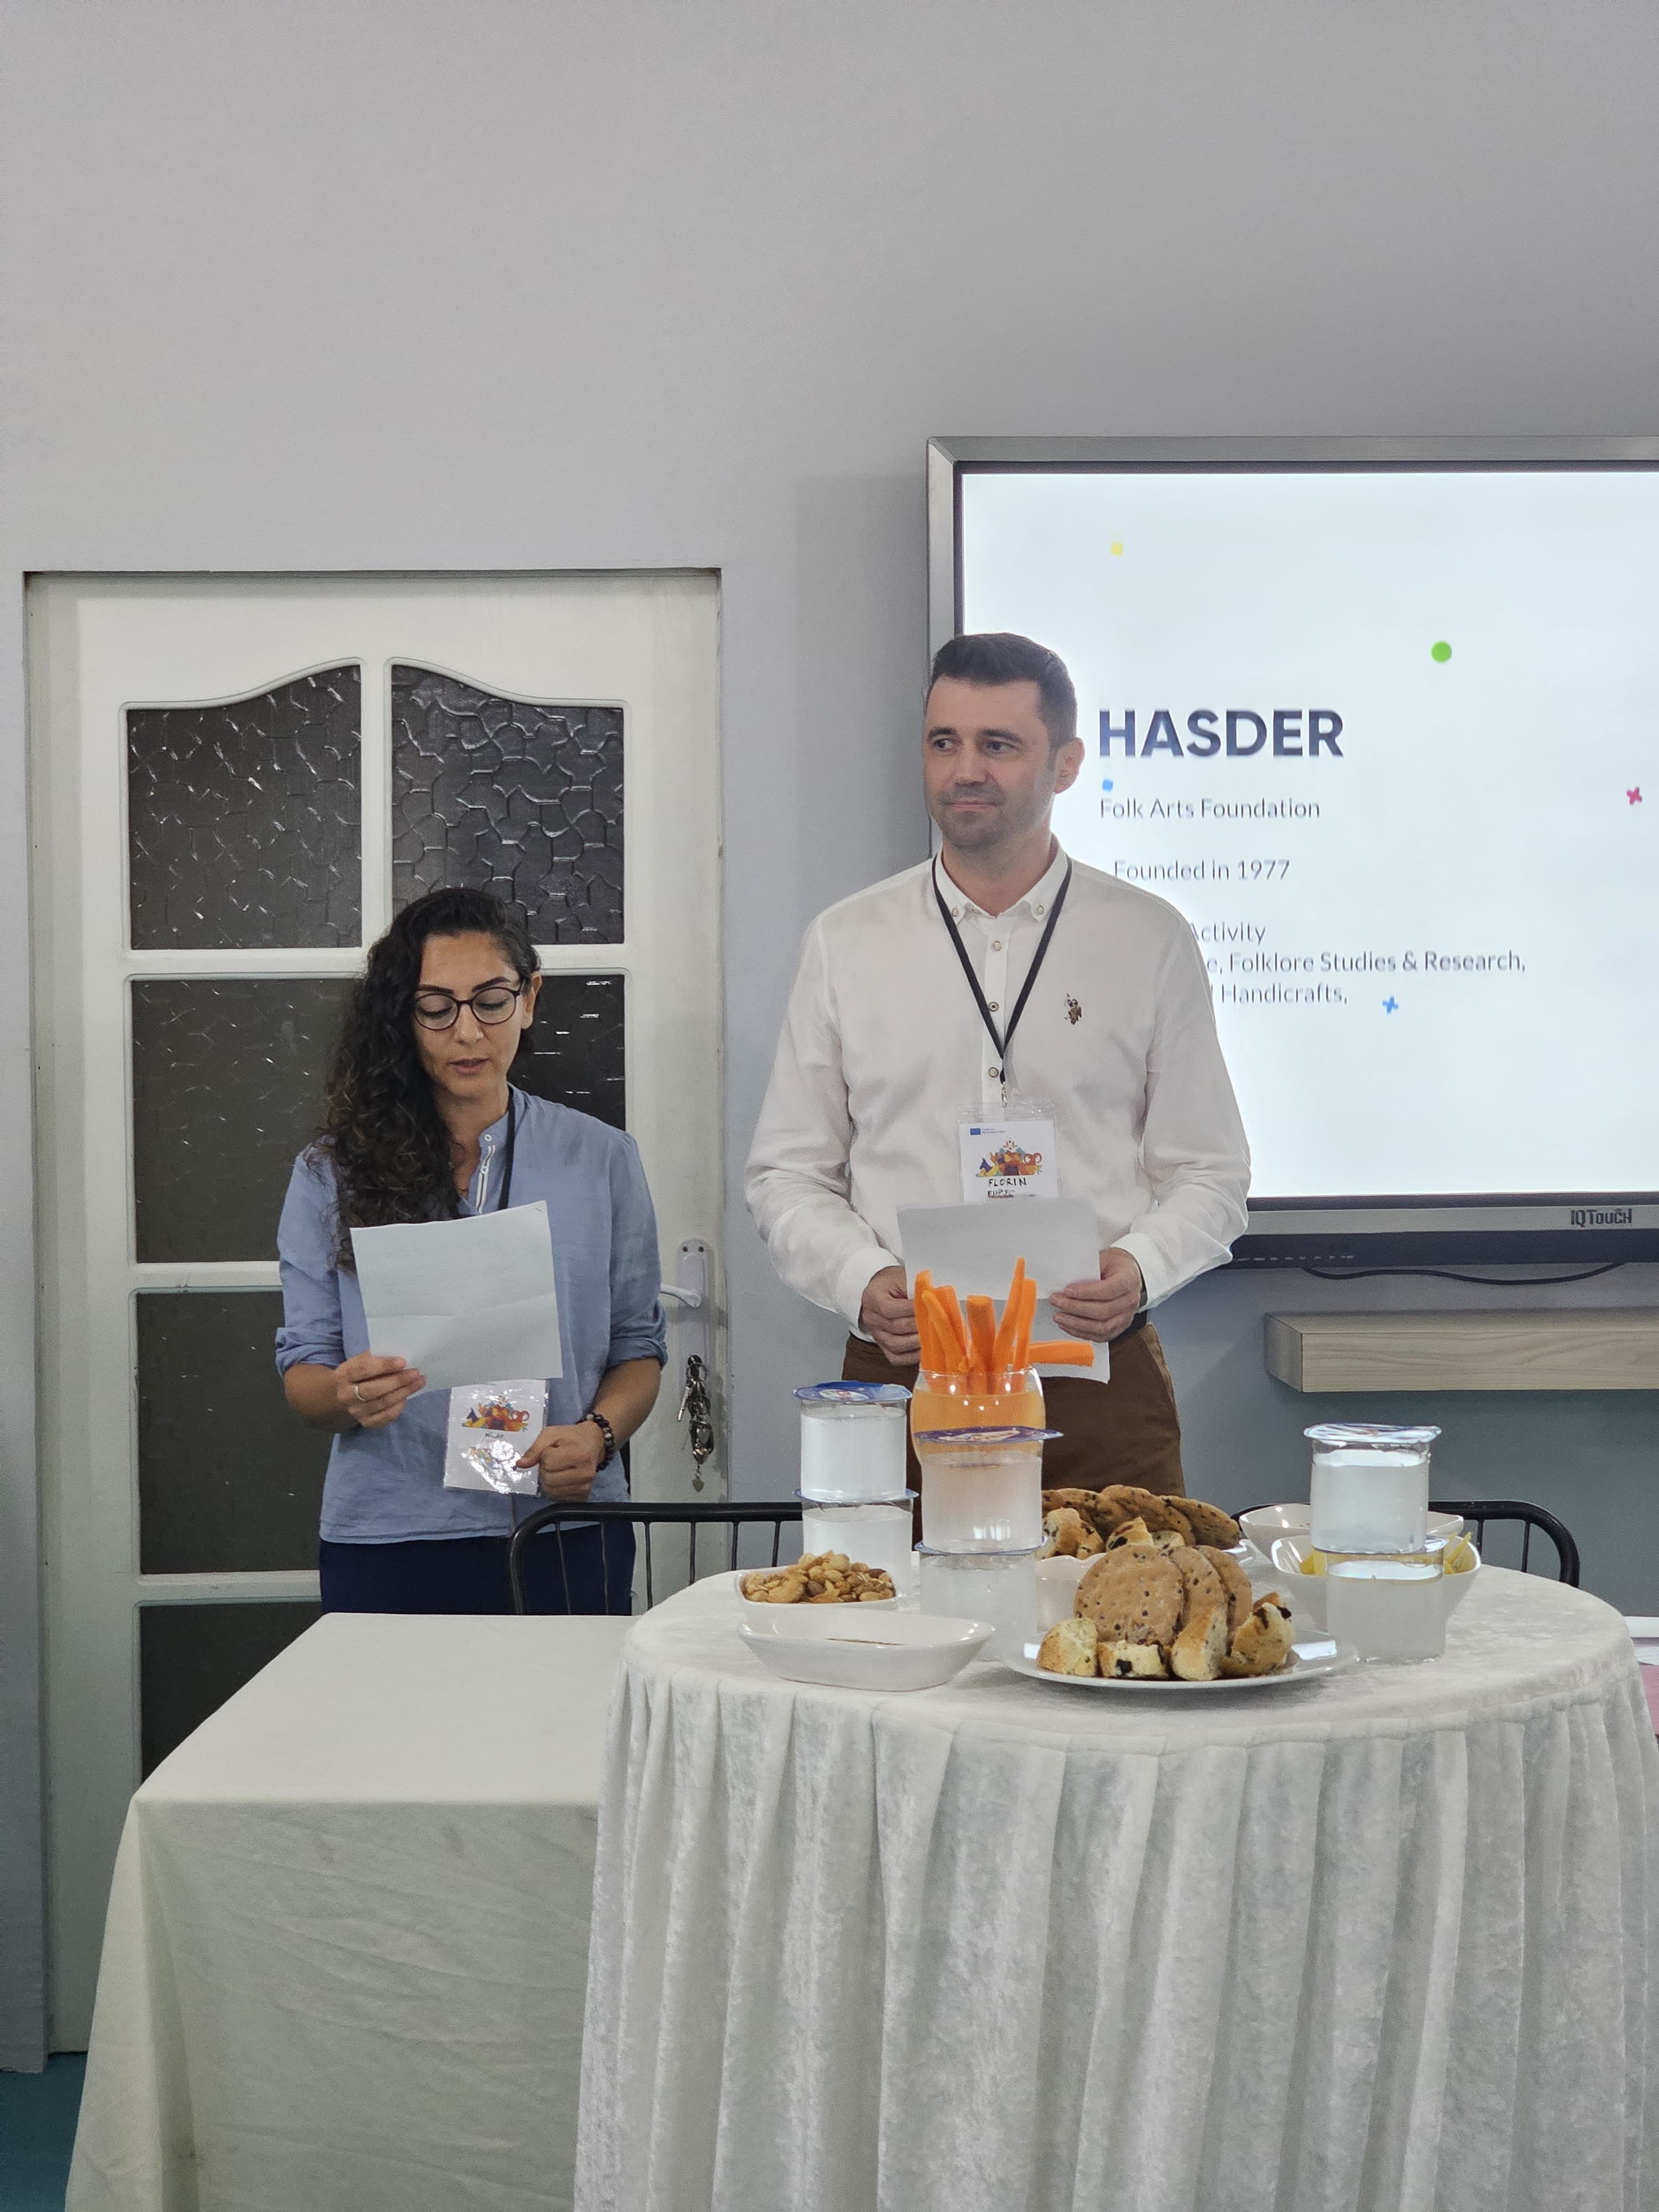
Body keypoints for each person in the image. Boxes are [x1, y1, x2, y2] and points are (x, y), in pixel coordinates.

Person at [745, 631, 1250, 1494]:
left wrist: (1138, 1269)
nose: (965, 770)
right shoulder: (847, 943)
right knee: (889, 1589)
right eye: (944, 742)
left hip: (1095, 1372)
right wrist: (862, 1279)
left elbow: (1212, 1174)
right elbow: (786, 1175)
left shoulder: (1148, 940)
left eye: (999, 745)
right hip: (907, 1372)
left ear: (1066, 765)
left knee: (1124, 1585)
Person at [276, 886, 666, 1612]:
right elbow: (305, 1373)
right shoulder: (331, 1173)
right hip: (394, 1531)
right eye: (436, 1008)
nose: (467, 1033)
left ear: (530, 998)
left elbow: (639, 1349)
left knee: (568, 1695)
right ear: (403, 1016)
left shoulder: (602, 1158)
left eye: (490, 1001)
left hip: (564, 1523)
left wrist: (599, 1435)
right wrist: (346, 1395)